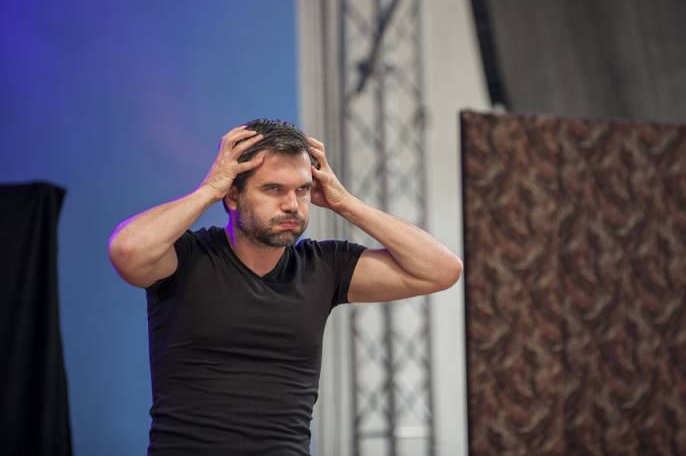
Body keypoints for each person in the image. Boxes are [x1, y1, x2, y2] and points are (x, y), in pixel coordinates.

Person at [108, 119, 463, 455]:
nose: (292, 205)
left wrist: (344, 202)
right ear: (233, 195)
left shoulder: (323, 266)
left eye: (302, 190)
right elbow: (127, 251)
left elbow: (441, 270)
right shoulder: (187, 257)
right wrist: (209, 190)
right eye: (273, 189)